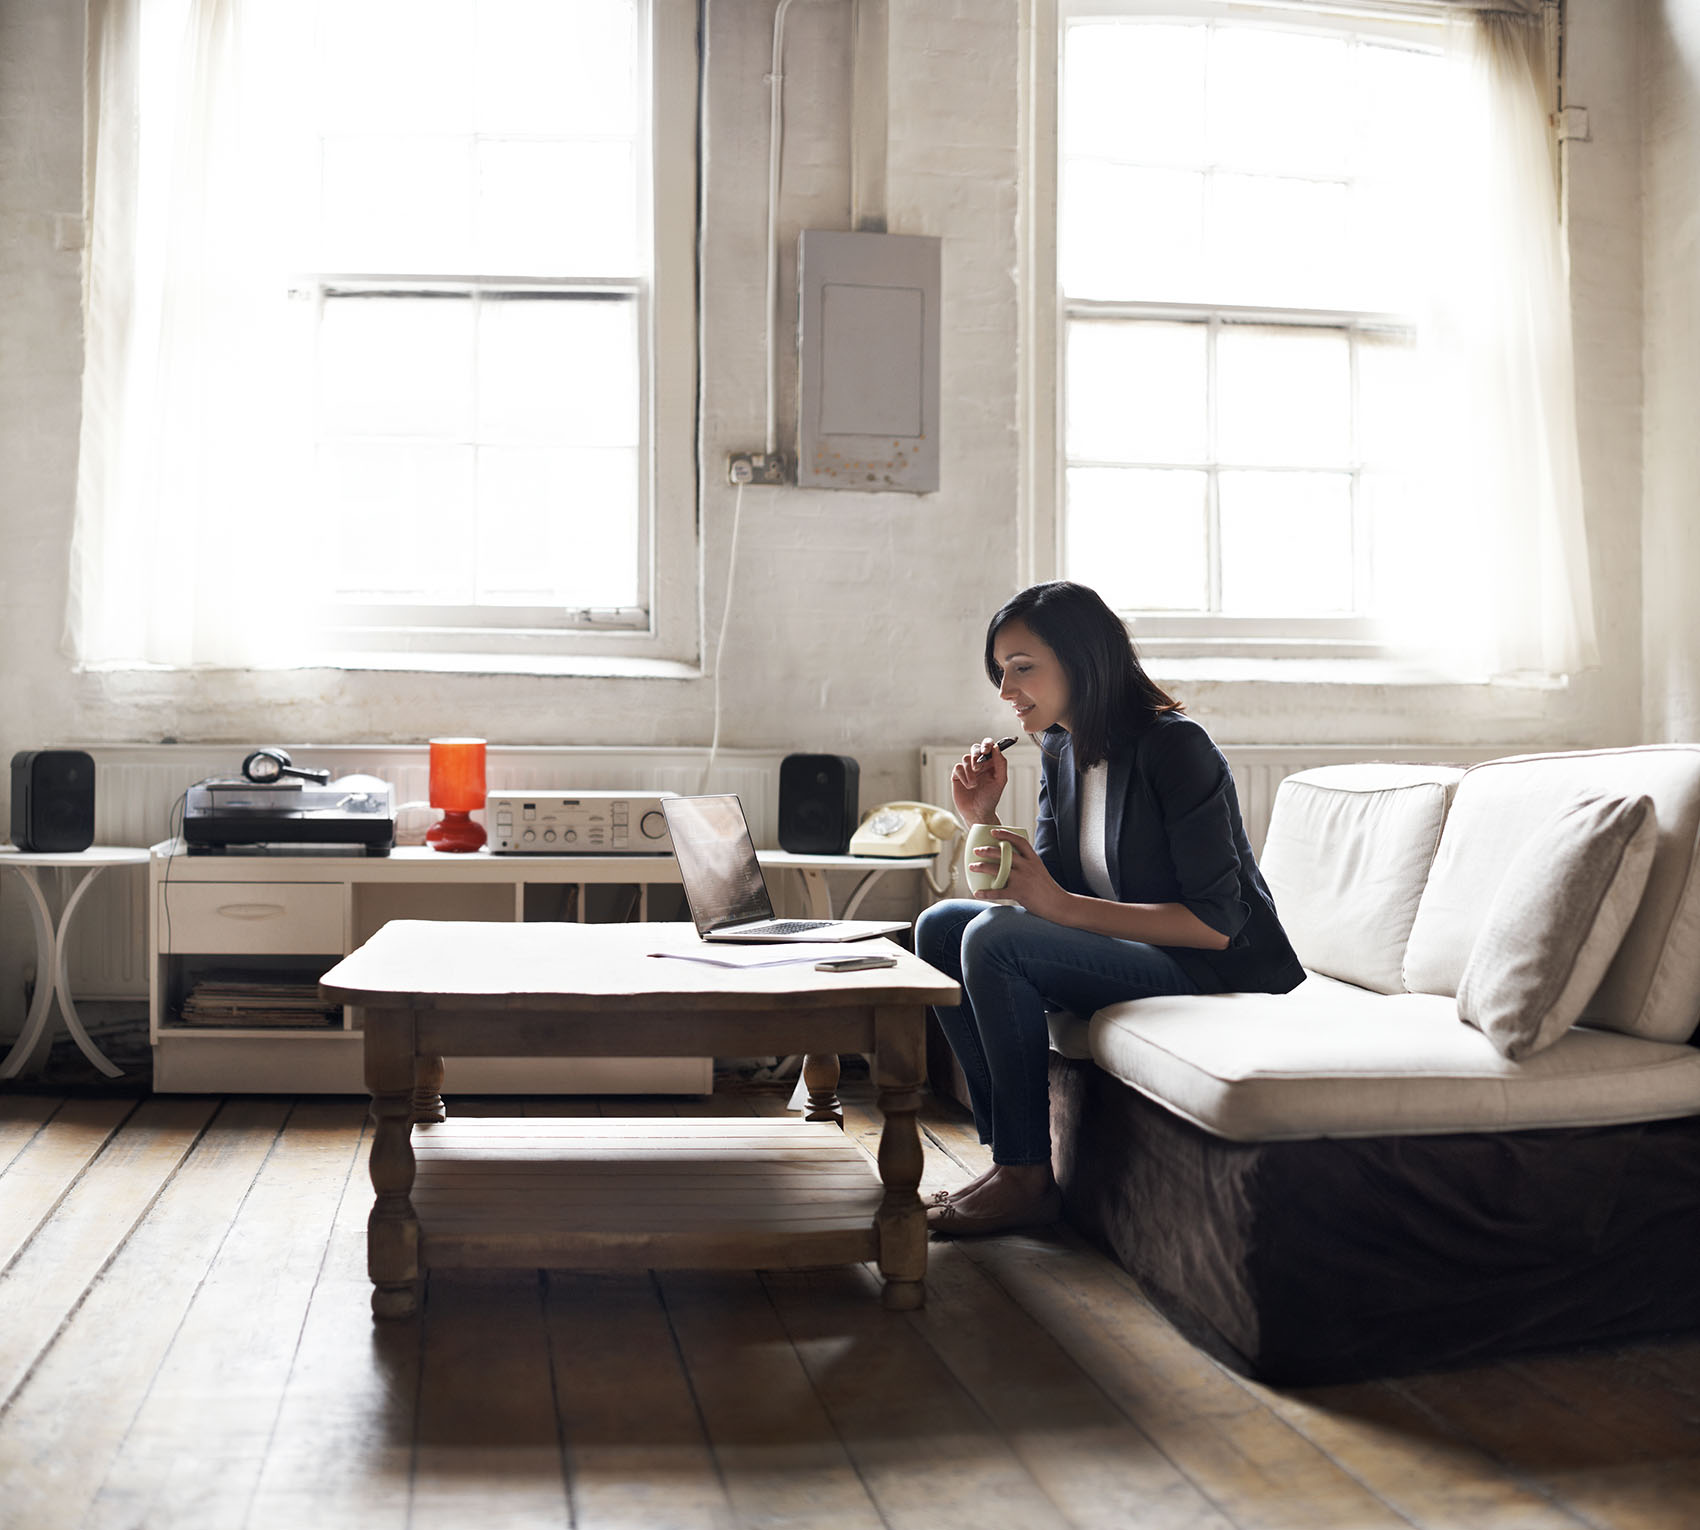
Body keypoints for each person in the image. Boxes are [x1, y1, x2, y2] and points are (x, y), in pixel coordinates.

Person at [918, 580, 1304, 1236]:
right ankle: (1007, 1156)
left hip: (1212, 971)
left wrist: (1060, 907)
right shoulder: (1063, 752)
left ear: (1082, 658)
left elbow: (1216, 924)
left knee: (992, 940)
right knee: (943, 927)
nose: (1006, 692)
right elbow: (1007, 898)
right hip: (1134, 954)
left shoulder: (1176, 748)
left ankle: (1025, 1177)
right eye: (1000, 674)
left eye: (1021, 669)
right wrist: (978, 817)